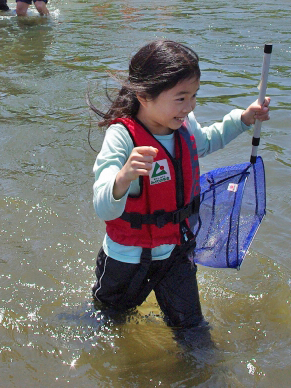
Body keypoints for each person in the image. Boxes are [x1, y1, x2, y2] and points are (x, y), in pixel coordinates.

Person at [89, 39, 271, 335]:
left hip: (176, 252)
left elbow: (208, 141)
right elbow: (102, 205)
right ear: (144, 94)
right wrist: (122, 178)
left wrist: (244, 119)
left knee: (193, 331)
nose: (190, 107)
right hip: (126, 259)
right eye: (181, 98)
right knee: (108, 323)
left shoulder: (183, 125)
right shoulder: (122, 137)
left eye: (194, 96)